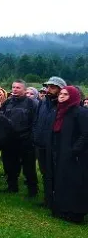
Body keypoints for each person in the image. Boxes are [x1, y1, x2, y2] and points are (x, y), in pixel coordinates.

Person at [46, 86, 88, 223]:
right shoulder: (59, 112)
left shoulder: (80, 112)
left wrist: (74, 150)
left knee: (75, 184)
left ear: (74, 96)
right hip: (59, 152)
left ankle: (76, 213)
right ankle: (61, 209)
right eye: (61, 94)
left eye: (66, 94)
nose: (61, 96)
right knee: (61, 181)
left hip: (75, 156)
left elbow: (85, 134)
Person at [0, 80, 39, 198]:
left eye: (18, 87)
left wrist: (31, 137)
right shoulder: (7, 103)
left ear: (25, 90)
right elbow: (1, 119)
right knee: (10, 165)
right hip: (9, 141)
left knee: (28, 167)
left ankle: (32, 190)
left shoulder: (32, 104)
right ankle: (12, 186)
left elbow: (35, 122)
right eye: (13, 87)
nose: (15, 89)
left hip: (25, 140)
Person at [33, 76, 66, 207]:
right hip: (40, 144)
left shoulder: (63, 105)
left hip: (55, 146)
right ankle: (48, 199)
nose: (48, 89)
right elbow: (36, 120)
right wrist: (35, 135)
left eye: (52, 87)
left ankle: (58, 200)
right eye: (48, 86)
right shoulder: (43, 102)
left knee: (56, 174)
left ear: (60, 89)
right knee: (45, 173)